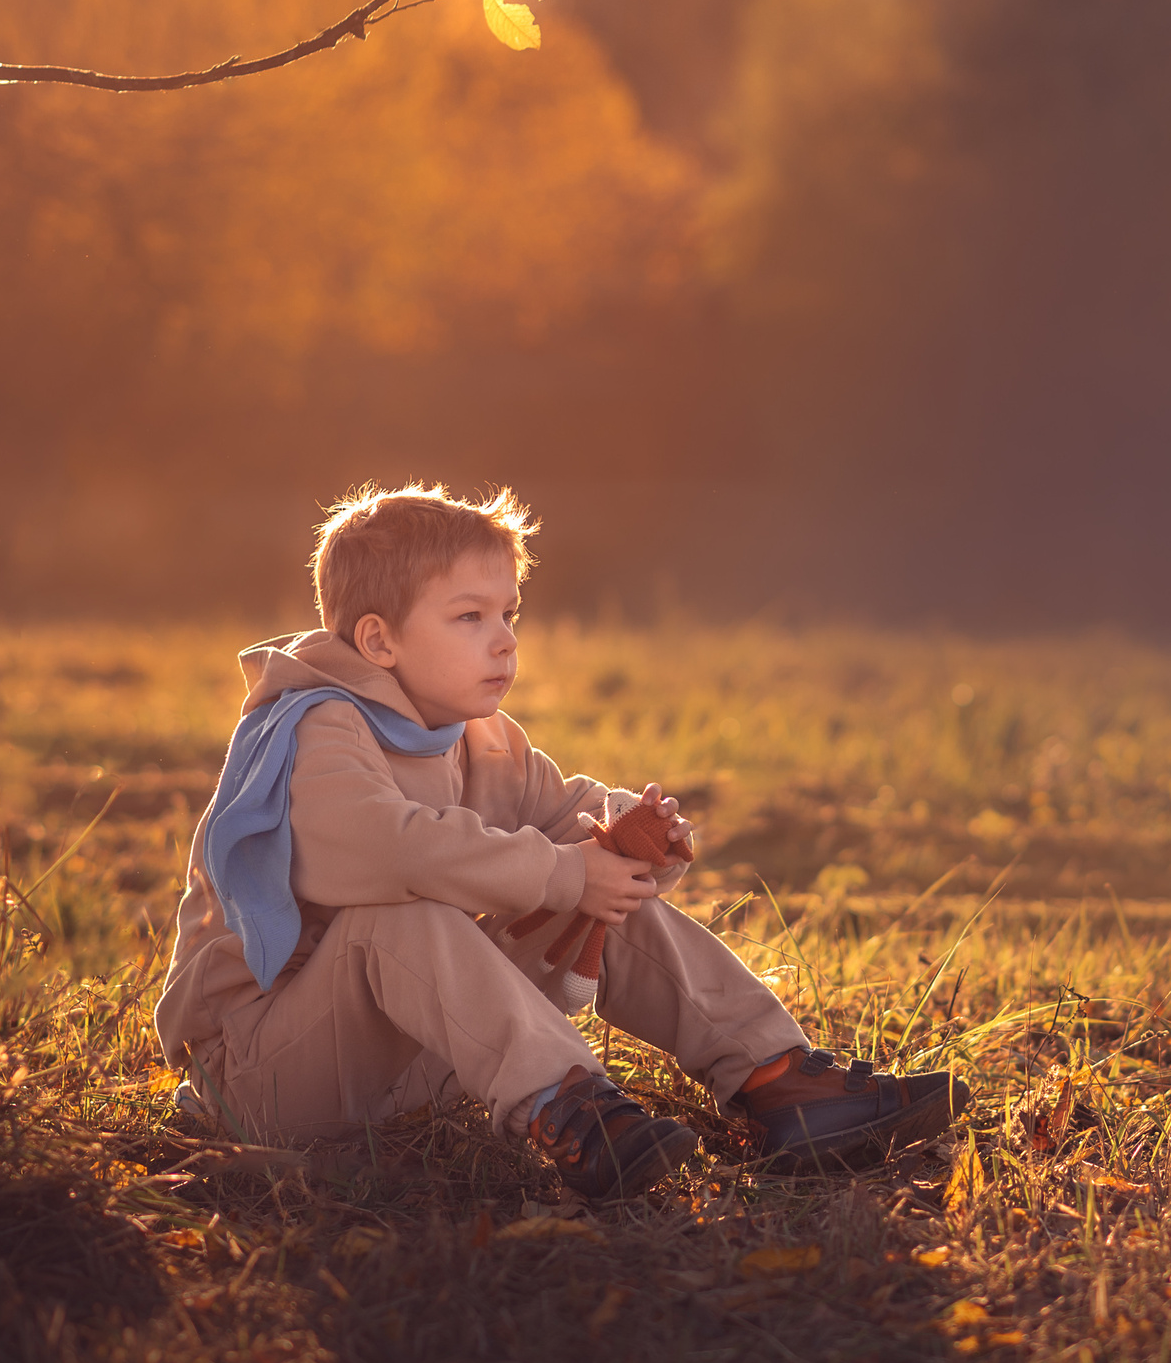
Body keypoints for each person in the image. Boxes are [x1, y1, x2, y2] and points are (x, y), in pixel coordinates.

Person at [151, 482, 967, 1198]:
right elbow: (383, 849)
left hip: (403, 1067)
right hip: (264, 1076)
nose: (503, 638)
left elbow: (566, 818)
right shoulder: (316, 728)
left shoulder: (480, 737)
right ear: (378, 641)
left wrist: (630, 838)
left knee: (591, 880)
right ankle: (570, 1106)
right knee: (399, 918)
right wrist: (564, 872)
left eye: (508, 612)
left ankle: (775, 1078)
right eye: (469, 616)